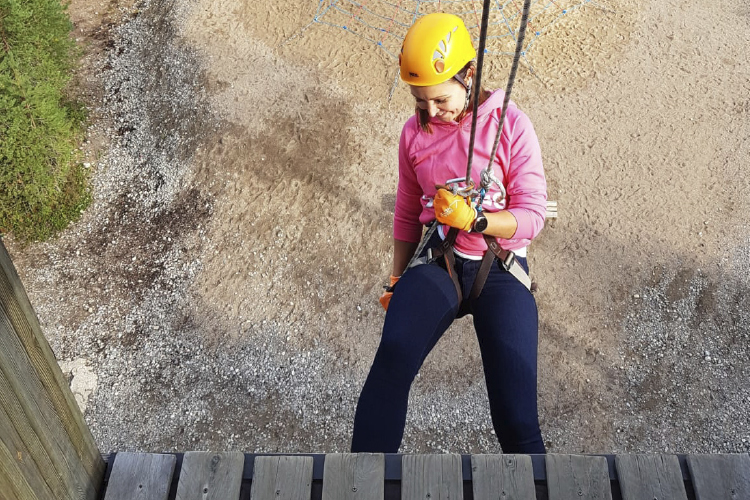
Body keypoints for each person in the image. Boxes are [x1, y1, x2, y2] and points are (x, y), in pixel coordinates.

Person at [351, 12, 548, 454]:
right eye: (421, 103)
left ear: (470, 73)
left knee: (517, 418)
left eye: (440, 100)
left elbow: (533, 215)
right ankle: (360, 481)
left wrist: (477, 221)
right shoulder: (413, 134)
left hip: (499, 267)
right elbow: (405, 211)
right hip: (440, 259)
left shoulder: (511, 125)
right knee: (393, 358)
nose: (431, 112)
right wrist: (397, 277)